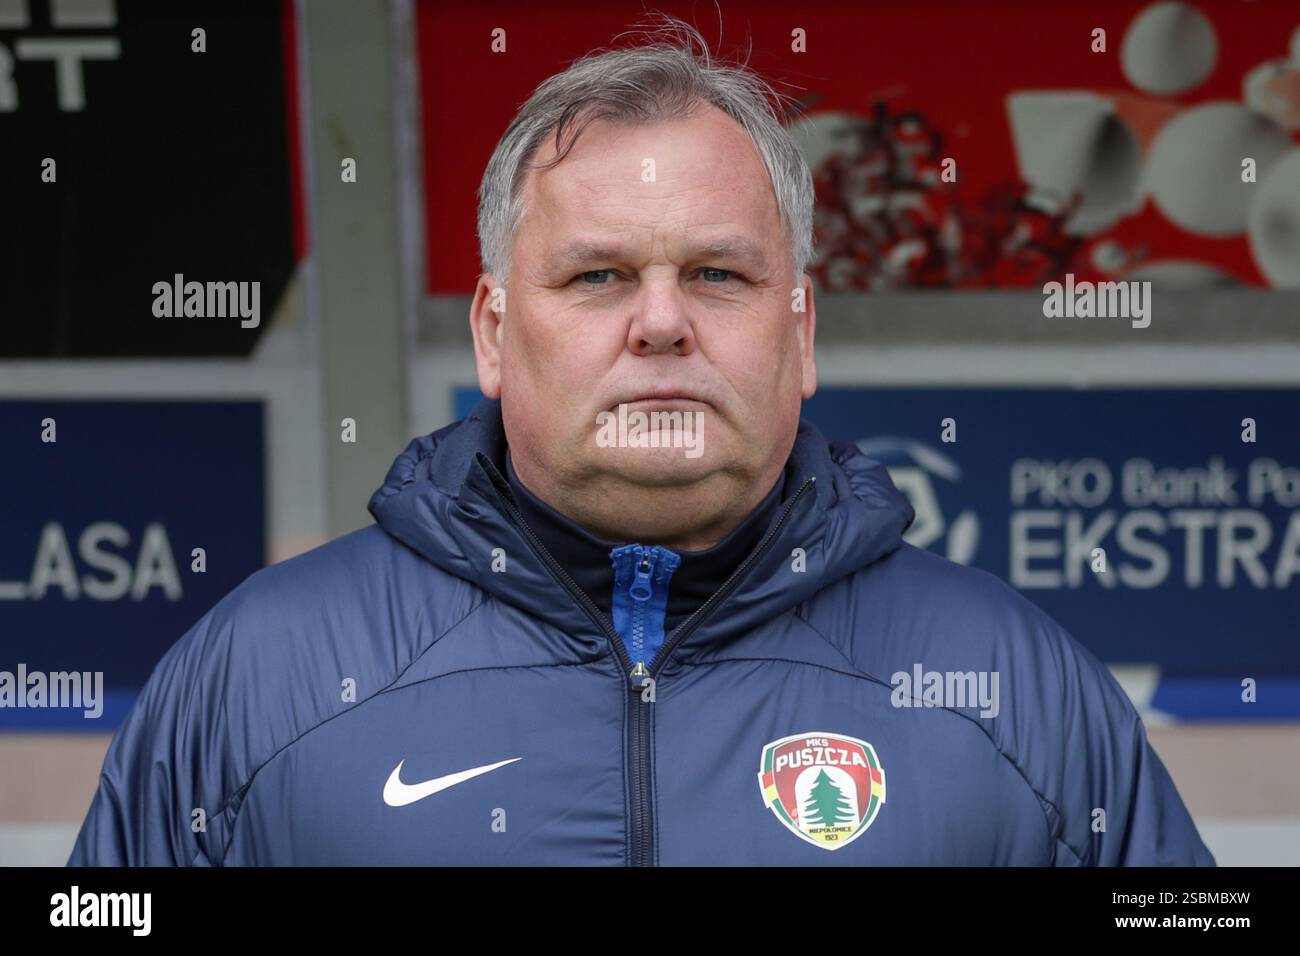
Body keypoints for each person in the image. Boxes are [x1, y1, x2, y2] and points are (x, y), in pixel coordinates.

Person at [68, 15, 1214, 866]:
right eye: (597, 274)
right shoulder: (258, 678)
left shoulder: (1016, 688)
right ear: (495, 332)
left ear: (800, 332)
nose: (660, 321)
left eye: (717, 273)